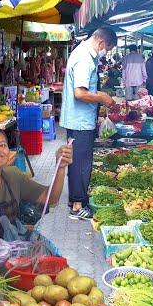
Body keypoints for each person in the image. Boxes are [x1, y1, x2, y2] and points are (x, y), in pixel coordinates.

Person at [0, 128, 72, 237]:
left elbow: (50, 198)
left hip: (13, 249)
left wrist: (60, 168)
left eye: (2, 145)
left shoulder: (13, 176)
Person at [60, 26, 116, 220]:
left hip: (79, 119)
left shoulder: (83, 53)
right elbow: (80, 93)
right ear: (102, 43)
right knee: (81, 163)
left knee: (75, 161)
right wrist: (102, 98)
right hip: (80, 121)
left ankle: (74, 199)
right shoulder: (85, 57)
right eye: (107, 49)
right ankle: (78, 206)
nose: (105, 53)